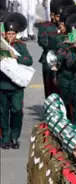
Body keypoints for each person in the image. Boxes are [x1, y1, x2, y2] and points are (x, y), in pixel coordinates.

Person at [0, 12, 32, 149]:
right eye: (9, 34)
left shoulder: (20, 46)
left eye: (13, 34)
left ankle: (14, 137)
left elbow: (29, 61)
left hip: (16, 86)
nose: (11, 36)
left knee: (17, 110)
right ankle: (5, 138)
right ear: (5, 35)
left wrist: (16, 57)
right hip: (2, 85)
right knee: (2, 113)